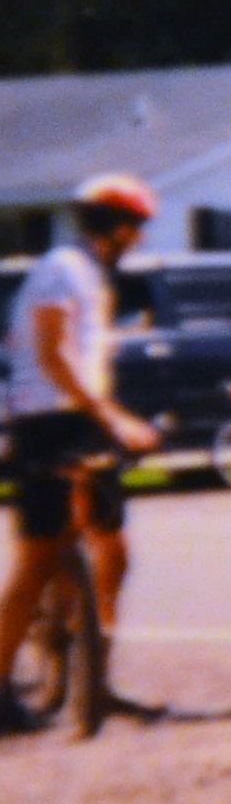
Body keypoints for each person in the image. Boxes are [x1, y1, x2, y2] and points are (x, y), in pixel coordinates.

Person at [0, 175, 166, 735]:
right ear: (119, 228)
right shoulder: (62, 270)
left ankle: (100, 674)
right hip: (48, 421)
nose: (139, 240)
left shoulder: (92, 276)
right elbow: (52, 354)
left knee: (112, 545)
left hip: (81, 419)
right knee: (39, 557)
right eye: (138, 230)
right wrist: (112, 416)